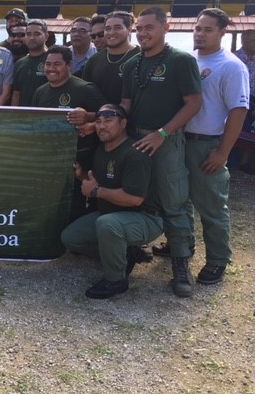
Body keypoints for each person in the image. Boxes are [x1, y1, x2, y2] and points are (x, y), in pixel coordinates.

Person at [120, 7, 202, 298]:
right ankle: (132, 251)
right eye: (139, 28)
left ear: (166, 28)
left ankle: (181, 264)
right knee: (137, 198)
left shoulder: (181, 61)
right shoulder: (132, 64)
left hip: (167, 139)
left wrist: (162, 133)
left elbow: (193, 104)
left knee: (173, 202)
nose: (143, 33)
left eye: (149, 27)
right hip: (136, 140)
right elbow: (126, 106)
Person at [61, 104, 162, 298]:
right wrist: (81, 176)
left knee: (107, 224)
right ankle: (125, 254)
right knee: (70, 238)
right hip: (112, 214)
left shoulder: (135, 154)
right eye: (98, 122)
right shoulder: (102, 151)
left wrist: (96, 191)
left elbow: (134, 199)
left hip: (144, 218)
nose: (101, 126)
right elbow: (97, 186)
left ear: (123, 123)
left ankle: (115, 280)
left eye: (108, 121)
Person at [183, 8, 249, 284]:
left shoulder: (231, 66)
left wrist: (223, 152)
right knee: (179, 201)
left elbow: (239, 110)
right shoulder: (187, 61)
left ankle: (218, 260)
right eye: (198, 28)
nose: (200, 33)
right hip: (181, 141)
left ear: (223, 32)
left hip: (207, 144)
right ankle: (182, 248)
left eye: (208, 29)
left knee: (211, 207)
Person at [32, 45, 107, 219]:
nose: (51, 69)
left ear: (69, 66)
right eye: (48, 64)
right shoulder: (40, 92)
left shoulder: (85, 89)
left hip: (79, 164)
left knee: (74, 210)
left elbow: (111, 117)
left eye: (57, 64)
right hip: (49, 162)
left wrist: (90, 121)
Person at [81, 11, 141, 104]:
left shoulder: (142, 57)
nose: (111, 32)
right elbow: (85, 94)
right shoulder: (94, 60)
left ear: (129, 30)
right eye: (107, 28)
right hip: (99, 117)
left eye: (117, 28)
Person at [233, 29, 255, 175]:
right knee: (232, 129)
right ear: (243, 42)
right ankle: (225, 159)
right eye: (253, 40)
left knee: (251, 132)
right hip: (235, 100)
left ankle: (245, 162)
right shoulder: (234, 57)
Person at [11, 19, 49, 107]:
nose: (32, 38)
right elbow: (16, 94)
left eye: (37, 34)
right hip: (23, 117)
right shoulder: (19, 64)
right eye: (28, 34)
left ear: (46, 36)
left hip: (46, 115)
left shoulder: (52, 61)